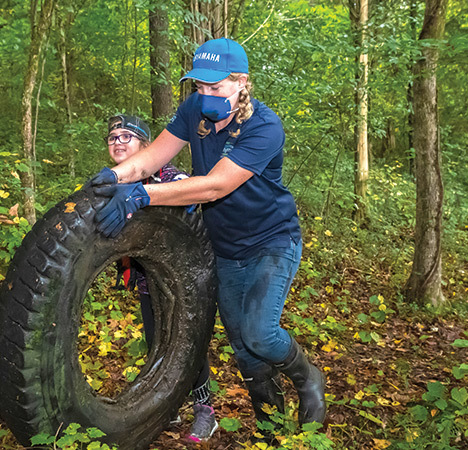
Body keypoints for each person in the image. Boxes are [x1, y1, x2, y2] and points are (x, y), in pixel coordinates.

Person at [90, 39, 326, 443]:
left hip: (271, 241)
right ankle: (272, 431)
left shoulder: (264, 126)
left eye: (216, 87)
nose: (206, 95)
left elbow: (215, 185)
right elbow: (153, 158)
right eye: (200, 86)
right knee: (244, 348)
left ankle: (308, 377)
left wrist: (144, 195)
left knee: (260, 333)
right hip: (226, 248)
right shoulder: (193, 112)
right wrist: (117, 177)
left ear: (241, 83)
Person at [101, 114, 218, 442]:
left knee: (186, 343)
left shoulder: (170, 176)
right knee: (157, 340)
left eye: (127, 137)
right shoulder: (115, 184)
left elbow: (194, 200)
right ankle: (168, 404)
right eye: (112, 138)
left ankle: (205, 410)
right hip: (146, 280)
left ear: (145, 146)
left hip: (184, 281)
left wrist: (151, 195)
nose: (118, 142)